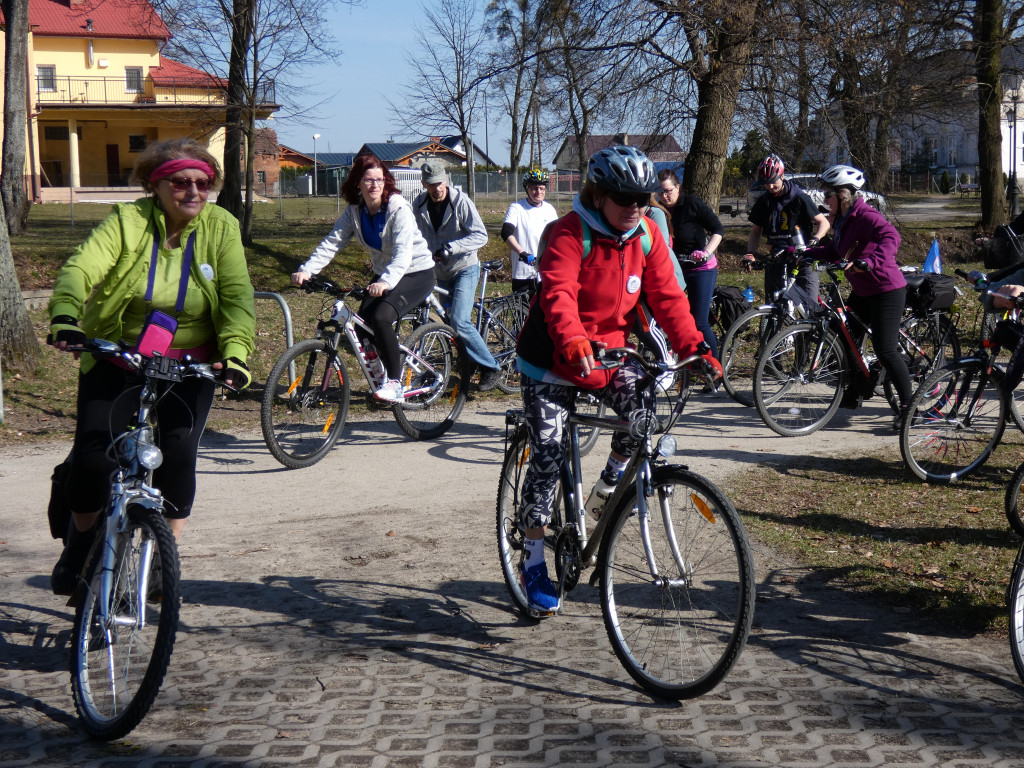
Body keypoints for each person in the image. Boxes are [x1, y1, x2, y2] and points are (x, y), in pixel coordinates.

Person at [514, 145, 721, 614]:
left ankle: (607, 486)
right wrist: (573, 341)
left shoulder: (645, 234)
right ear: (600, 193)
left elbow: (668, 298)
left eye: (643, 200)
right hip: (552, 356)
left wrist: (695, 347)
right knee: (546, 453)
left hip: (607, 354)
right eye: (625, 200)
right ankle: (532, 555)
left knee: (645, 417)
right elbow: (559, 295)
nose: (636, 208)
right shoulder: (570, 234)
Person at [47, 137, 256, 595]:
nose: (194, 192)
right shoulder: (129, 221)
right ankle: (80, 542)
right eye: (181, 182)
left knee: (178, 454)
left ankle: (165, 555)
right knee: (93, 457)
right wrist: (66, 314)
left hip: (189, 361)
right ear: (155, 185)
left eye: (204, 183)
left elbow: (238, 298)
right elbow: (81, 268)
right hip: (118, 351)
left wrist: (236, 354)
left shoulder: (221, 227)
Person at [292, 153, 435, 403]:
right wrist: (307, 270)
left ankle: (394, 382)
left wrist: (385, 283)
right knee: (361, 328)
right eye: (368, 180)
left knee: (381, 318)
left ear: (386, 182)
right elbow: (333, 242)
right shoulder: (355, 210)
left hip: (416, 272)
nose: (374, 185)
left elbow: (403, 254)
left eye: (379, 180)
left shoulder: (397, 208)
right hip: (385, 274)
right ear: (358, 182)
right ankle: (380, 380)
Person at [802, 164, 910, 429]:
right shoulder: (842, 219)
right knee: (845, 336)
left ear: (844, 195)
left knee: (885, 349)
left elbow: (891, 237)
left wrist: (870, 261)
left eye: (828, 194)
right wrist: (806, 253)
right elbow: (835, 252)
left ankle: (909, 406)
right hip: (863, 291)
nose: (824, 200)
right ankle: (859, 388)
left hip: (886, 290)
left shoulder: (865, 215)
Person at [412, 159, 501, 391]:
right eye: (431, 184)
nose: (437, 188)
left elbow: (481, 235)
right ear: (424, 184)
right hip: (441, 272)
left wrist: (451, 247)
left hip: (465, 268)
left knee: (460, 321)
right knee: (451, 323)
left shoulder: (461, 202)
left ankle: (491, 367)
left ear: (446, 180)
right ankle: (468, 362)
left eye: (440, 183)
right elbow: (415, 236)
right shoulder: (419, 204)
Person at [743, 153, 830, 309]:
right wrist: (750, 253)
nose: (769, 187)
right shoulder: (764, 202)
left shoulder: (800, 198)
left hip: (803, 258)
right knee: (774, 306)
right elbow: (756, 231)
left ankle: (811, 331)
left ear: (782, 176)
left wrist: (816, 238)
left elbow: (823, 222)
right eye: (765, 183)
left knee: (811, 308)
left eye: (772, 182)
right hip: (777, 258)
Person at [657, 169, 724, 357]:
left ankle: (715, 369)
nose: (664, 196)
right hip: (675, 270)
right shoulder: (657, 209)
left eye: (668, 191)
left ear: (678, 187)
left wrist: (705, 252)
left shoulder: (692, 204)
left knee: (698, 321)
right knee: (670, 317)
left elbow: (718, 229)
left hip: (700, 268)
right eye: (660, 192)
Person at [501, 168, 559, 295]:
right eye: (534, 188)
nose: (538, 192)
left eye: (542, 188)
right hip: (524, 272)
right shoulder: (517, 208)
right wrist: (522, 253)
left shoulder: (550, 209)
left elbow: (557, 237)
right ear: (527, 189)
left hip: (545, 271)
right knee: (523, 312)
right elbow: (506, 233)